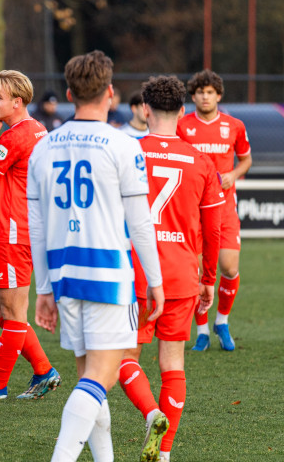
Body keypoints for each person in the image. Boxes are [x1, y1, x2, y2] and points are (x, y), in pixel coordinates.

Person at [28, 50, 164, 461]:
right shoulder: (123, 145)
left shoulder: (44, 146)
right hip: (106, 271)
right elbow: (140, 224)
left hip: (64, 271)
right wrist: (156, 282)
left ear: (69, 93)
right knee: (100, 379)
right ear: (109, 92)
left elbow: (36, 226)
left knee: (89, 378)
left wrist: (44, 287)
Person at [119, 75, 224, 462]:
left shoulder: (127, 151)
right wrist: (208, 279)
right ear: (183, 111)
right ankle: (163, 454)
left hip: (135, 273)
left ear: (144, 109)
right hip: (181, 276)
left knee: (124, 358)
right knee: (172, 364)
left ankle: (151, 414)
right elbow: (213, 230)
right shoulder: (201, 161)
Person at [0, 71, 61, 402]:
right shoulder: (38, 128)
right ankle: (43, 369)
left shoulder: (15, 137)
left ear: (16, 102)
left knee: (11, 312)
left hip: (15, 232)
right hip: (17, 230)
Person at [178, 69, 251, 352]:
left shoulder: (234, 126)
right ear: (193, 96)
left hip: (224, 208)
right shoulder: (183, 126)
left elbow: (246, 159)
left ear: (218, 95)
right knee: (196, 272)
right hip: (193, 209)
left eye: (210, 92)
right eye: (200, 92)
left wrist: (234, 174)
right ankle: (202, 331)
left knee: (229, 267)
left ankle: (222, 321)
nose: (205, 97)